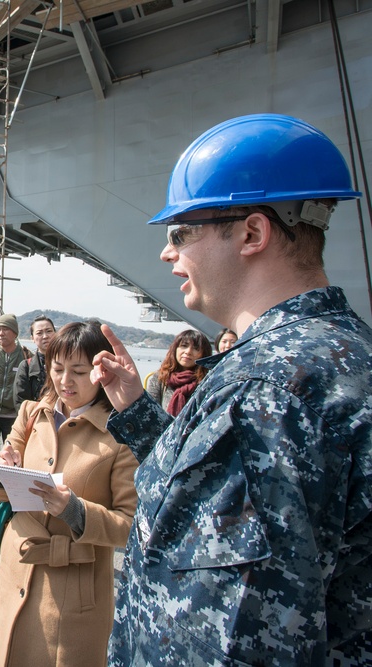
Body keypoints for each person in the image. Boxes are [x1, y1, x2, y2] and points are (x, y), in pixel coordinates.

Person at [90, 114, 372, 664]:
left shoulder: (262, 391)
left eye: (181, 234)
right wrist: (141, 417)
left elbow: (222, 636)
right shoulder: (343, 351)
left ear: (251, 233)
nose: (167, 254)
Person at [0, 321, 137, 667]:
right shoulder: (32, 413)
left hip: (72, 587)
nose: (66, 381)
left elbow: (131, 526)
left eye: (79, 371)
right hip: (15, 567)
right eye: (58, 368)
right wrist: (3, 473)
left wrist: (75, 511)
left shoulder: (121, 436)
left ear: (100, 372)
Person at [0, 314, 32, 461]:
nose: (0, 333)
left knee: (13, 456)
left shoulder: (26, 355)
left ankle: (7, 484)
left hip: (14, 417)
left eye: (5, 329)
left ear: (15, 333)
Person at [144, 329, 211, 416]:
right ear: (175, 349)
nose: (188, 352)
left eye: (196, 348)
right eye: (184, 346)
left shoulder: (207, 381)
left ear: (203, 354)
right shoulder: (161, 377)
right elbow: (150, 410)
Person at [14, 315, 55, 409]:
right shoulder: (26, 366)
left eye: (49, 331)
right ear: (32, 338)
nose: (45, 336)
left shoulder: (66, 363)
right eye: (39, 333)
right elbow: (20, 402)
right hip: (36, 419)